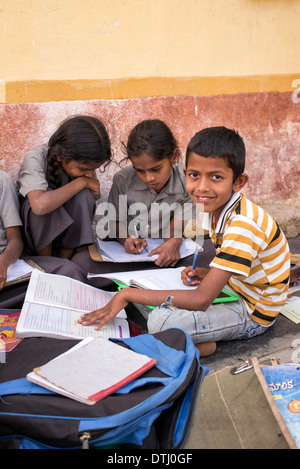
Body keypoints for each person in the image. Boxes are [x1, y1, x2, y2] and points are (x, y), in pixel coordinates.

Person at [78, 126, 290, 357]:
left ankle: (190, 340)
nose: (202, 187)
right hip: (237, 288)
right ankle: (191, 340)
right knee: (145, 293)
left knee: (160, 319)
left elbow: (200, 301)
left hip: (253, 312)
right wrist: (208, 273)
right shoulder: (217, 205)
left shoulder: (242, 224)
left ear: (238, 182)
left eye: (216, 177)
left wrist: (126, 295)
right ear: (186, 172)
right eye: (194, 175)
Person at [16, 115, 112, 259]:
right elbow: (39, 205)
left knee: (84, 196)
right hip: (35, 240)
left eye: (92, 169)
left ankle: (65, 259)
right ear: (61, 157)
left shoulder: (85, 164)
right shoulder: (35, 158)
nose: (89, 174)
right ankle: (48, 261)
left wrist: (83, 183)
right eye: (84, 169)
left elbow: (84, 207)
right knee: (47, 199)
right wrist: (82, 182)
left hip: (65, 241)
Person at [106, 119, 194, 267]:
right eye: (139, 170)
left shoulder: (188, 180)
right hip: (133, 255)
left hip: (168, 250)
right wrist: (127, 239)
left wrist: (174, 240)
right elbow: (114, 221)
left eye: (156, 169)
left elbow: (177, 226)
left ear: (174, 157)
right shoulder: (123, 180)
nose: (149, 178)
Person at [0, 170, 89, 309]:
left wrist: (4, 261)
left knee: (69, 271)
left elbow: (15, 240)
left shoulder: (2, 180)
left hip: (8, 270)